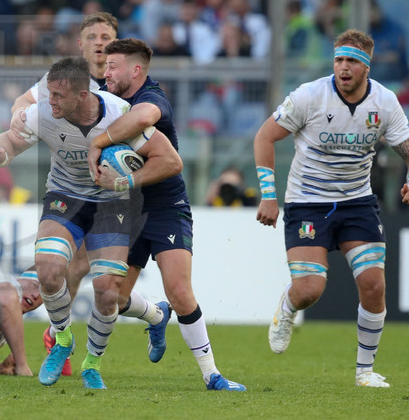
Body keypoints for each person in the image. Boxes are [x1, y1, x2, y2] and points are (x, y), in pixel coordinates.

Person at [0, 56, 183, 390]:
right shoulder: (43, 112)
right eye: (50, 94)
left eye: (58, 96)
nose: (50, 101)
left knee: (107, 290)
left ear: (82, 95)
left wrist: (124, 182)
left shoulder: (120, 115)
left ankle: (92, 363)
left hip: (113, 203)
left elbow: (171, 161)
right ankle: (62, 341)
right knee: (47, 268)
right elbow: (10, 142)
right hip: (65, 196)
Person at [86, 38, 247, 391]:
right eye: (105, 66)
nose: (106, 72)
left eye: (113, 67)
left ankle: (212, 375)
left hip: (165, 208)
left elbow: (147, 122)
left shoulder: (152, 99)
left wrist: (103, 149)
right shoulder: (105, 95)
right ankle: (155, 315)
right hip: (123, 211)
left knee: (179, 290)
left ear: (136, 70)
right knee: (113, 296)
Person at [253, 29, 409, 388]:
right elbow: (265, 136)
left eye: (352, 61)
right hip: (308, 202)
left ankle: (365, 371)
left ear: (367, 67)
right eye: (339, 59)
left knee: (373, 284)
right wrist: (268, 194)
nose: (343, 67)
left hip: (357, 202)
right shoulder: (309, 96)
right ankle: (288, 308)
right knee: (309, 289)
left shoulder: (384, 103)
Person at [9, 12, 119, 376]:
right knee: (66, 266)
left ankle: (152, 316)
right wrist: (22, 126)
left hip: (117, 193)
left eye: (106, 36)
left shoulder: (125, 85)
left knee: (102, 280)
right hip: (70, 190)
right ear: (80, 43)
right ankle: (56, 338)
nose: (99, 42)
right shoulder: (61, 80)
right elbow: (21, 109)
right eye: (92, 36)